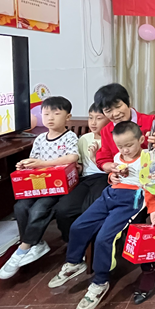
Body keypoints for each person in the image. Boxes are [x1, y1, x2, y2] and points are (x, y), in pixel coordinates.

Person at [49, 122, 155, 309]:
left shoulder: (147, 157)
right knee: (79, 225)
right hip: (110, 194)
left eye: (129, 145)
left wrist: (153, 210)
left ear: (141, 140)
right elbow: (115, 176)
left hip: (132, 199)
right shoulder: (117, 157)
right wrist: (112, 176)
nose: (125, 150)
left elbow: (150, 186)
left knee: (104, 237)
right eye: (120, 146)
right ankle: (74, 262)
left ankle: (100, 281)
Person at [92, 83, 155, 304]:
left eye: (118, 106)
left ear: (127, 102)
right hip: (125, 186)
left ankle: (149, 269)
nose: (115, 113)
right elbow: (103, 157)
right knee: (90, 215)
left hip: (154, 185)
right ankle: (98, 263)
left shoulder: (149, 121)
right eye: (108, 110)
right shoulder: (107, 130)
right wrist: (110, 169)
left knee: (141, 221)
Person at [0, 97, 79, 280]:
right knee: (20, 207)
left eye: (56, 114)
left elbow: (72, 157)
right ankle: (36, 243)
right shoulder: (40, 139)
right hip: (39, 185)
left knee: (38, 209)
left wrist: (43, 164)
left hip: (58, 188)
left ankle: (24, 247)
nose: (50, 118)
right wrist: (25, 165)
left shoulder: (69, 137)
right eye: (46, 114)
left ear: (68, 117)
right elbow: (34, 161)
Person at [55, 103, 110, 242]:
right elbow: (79, 165)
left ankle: (91, 244)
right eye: (90, 117)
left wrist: (96, 157)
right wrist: (74, 168)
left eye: (99, 118)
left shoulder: (113, 139)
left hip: (106, 177)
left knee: (89, 208)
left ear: (110, 119)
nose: (93, 122)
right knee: (63, 209)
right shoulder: (84, 139)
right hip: (86, 178)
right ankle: (71, 242)